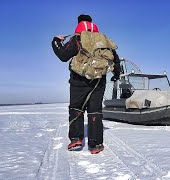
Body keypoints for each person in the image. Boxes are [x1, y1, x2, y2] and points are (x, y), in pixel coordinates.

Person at [51, 14, 120, 154]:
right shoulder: (103, 41)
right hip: (99, 82)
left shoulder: (77, 39)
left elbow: (63, 56)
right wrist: (116, 75)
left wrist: (55, 41)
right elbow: (115, 60)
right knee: (95, 111)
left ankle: (76, 138)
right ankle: (96, 144)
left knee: (77, 108)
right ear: (92, 24)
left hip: (78, 81)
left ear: (79, 23)